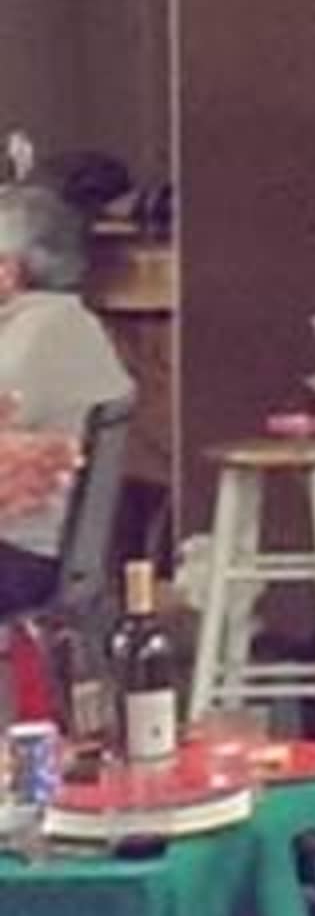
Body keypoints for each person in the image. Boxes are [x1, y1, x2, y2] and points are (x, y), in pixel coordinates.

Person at [0, 181, 124, 606]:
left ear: (8, 270)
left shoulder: (34, 335)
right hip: (53, 552)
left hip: (19, 556)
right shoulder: (69, 323)